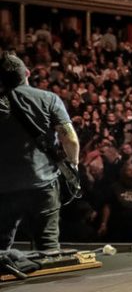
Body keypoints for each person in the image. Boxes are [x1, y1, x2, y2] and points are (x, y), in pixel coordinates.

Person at [0, 52, 80, 251]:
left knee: (1, 248)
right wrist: (74, 163)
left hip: (5, 189)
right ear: (27, 72)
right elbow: (70, 138)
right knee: (48, 247)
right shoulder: (48, 98)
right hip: (43, 184)